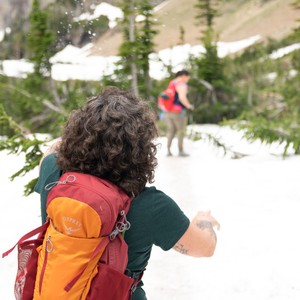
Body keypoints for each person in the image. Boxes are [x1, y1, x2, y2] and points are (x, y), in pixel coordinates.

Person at [35, 87, 220, 300]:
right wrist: (203, 221)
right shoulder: (150, 205)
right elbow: (205, 248)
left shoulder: (54, 171)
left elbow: (51, 152)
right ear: (142, 149)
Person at [164, 70, 193, 157]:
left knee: (171, 131)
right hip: (178, 112)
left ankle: (168, 150)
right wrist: (189, 106)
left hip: (168, 111)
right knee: (181, 131)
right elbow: (182, 97)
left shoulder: (172, 83)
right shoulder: (182, 84)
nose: (188, 79)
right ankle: (181, 150)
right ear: (184, 76)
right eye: (188, 77)